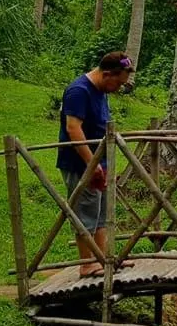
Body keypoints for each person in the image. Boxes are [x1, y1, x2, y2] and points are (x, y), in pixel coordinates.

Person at [57, 51, 136, 277]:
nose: (119, 88)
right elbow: (73, 128)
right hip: (80, 163)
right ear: (107, 74)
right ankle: (87, 264)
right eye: (118, 83)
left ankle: (104, 259)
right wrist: (91, 163)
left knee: (100, 213)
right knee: (85, 212)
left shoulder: (101, 91)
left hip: (99, 161)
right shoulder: (79, 91)